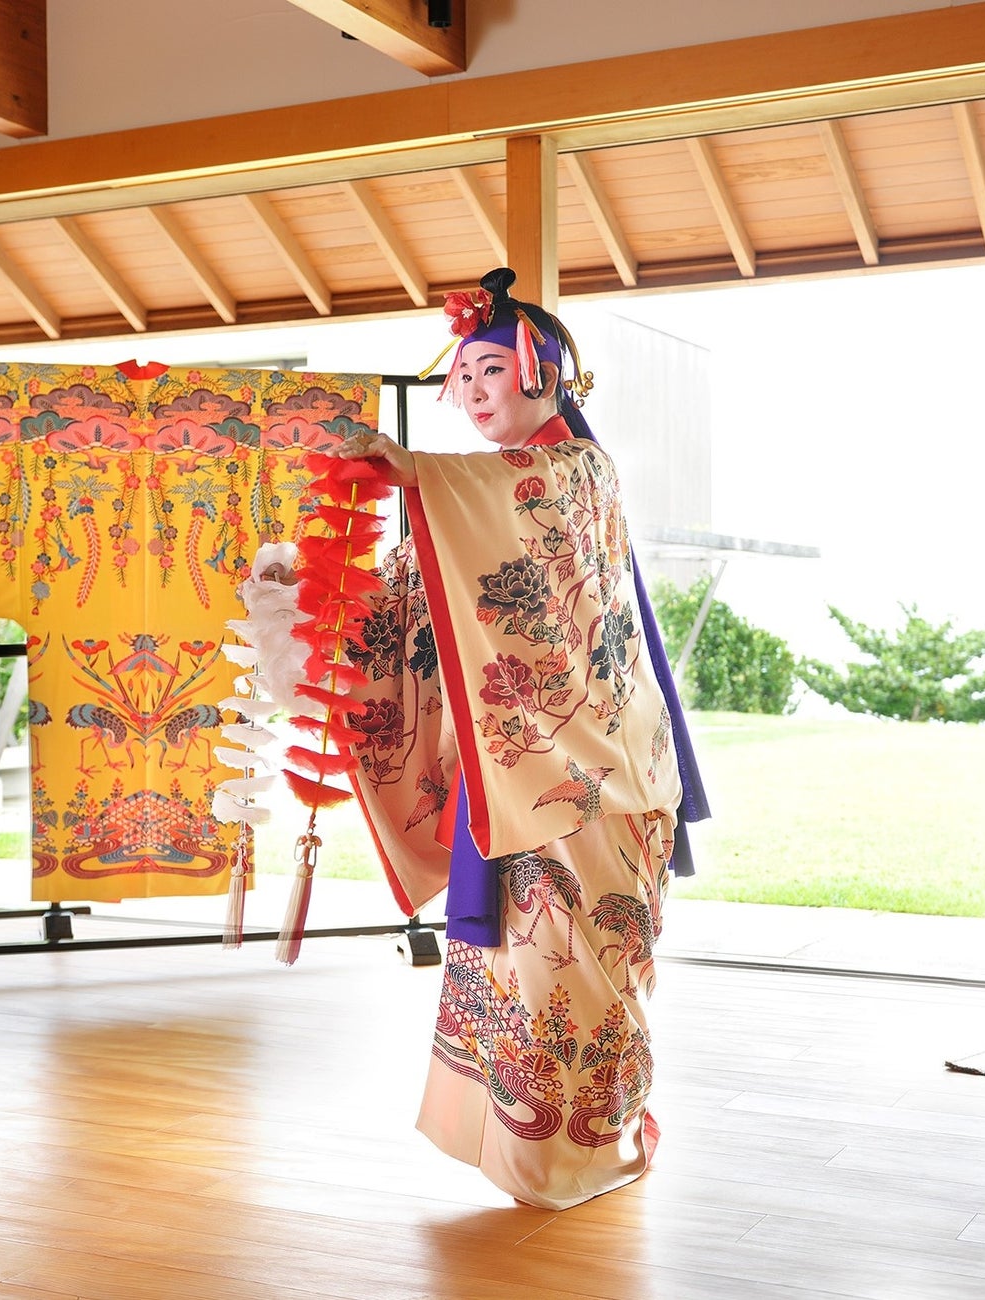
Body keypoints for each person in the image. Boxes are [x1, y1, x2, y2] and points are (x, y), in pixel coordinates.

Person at [271, 267, 708, 1208]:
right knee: (522, 963)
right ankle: (521, 1146)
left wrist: (416, 474)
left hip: (600, 773)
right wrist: (316, 605)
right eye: (462, 376)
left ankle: (587, 1149)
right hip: (519, 771)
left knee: (583, 968)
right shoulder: (474, 493)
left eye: (492, 371)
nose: (473, 393)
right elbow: (408, 599)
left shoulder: (579, 472)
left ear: (542, 375)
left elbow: (514, 496)